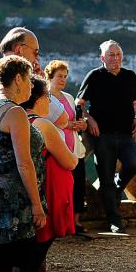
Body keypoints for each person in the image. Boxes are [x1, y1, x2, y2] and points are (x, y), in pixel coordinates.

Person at [0, 55, 62, 272]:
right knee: (30, 261)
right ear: (17, 79)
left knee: (3, 260)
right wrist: (36, 204)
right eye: (29, 79)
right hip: (16, 197)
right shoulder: (15, 113)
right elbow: (25, 163)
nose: (31, 85)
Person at [22, 77, 78, 272]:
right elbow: (70, 161)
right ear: (37, 99)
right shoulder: (42, 124)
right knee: (40, 246)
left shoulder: (15, 120)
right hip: (50, 189)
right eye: (47, 97)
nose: (49, 101)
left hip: (37, 186)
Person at [76, 40, 136, 233]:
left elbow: (135, 102)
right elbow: (79, 104)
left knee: (134, 165)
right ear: (103, 58)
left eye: (118, 54)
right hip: (102, 135)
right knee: (105, 179)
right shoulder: (94, 76)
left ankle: (117, 188)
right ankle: (114, 221)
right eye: (111, 55)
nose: (115, 58)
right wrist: (90, 120)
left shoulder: (130, 76)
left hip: (126, 133)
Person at [45, 61, 88, 234]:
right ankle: (57, 224)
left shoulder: (69, 97)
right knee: (59, 189)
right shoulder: (44, 97)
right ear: (50, 77)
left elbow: (75, 118)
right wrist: (69, 124)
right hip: (56, 149)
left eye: (65, 76)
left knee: (78, 186)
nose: (63, 80)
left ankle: (74, 222)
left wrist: (81, 125)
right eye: (59, 76)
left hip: (75, 147)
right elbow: (46, 123)